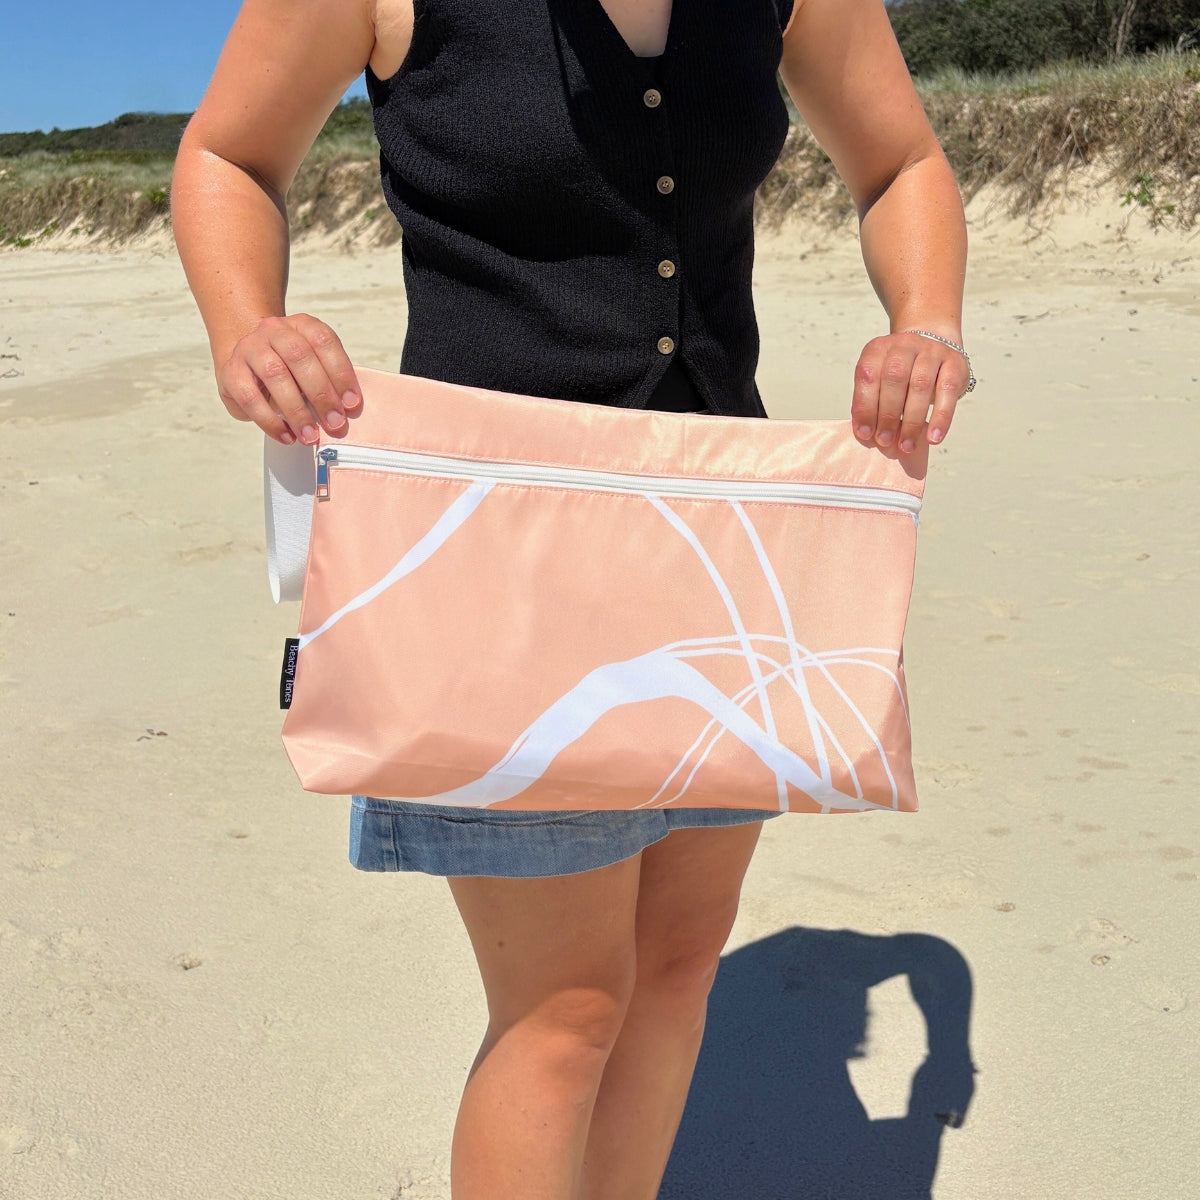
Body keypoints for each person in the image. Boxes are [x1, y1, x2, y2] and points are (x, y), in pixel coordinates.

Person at [170, 0, 970, 1196]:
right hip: (492, 559)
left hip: (721, 550)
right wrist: (248, 328)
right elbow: (230, 155)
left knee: (681, 970)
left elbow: (902, 162)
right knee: (565, 1013)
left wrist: (926, 324)